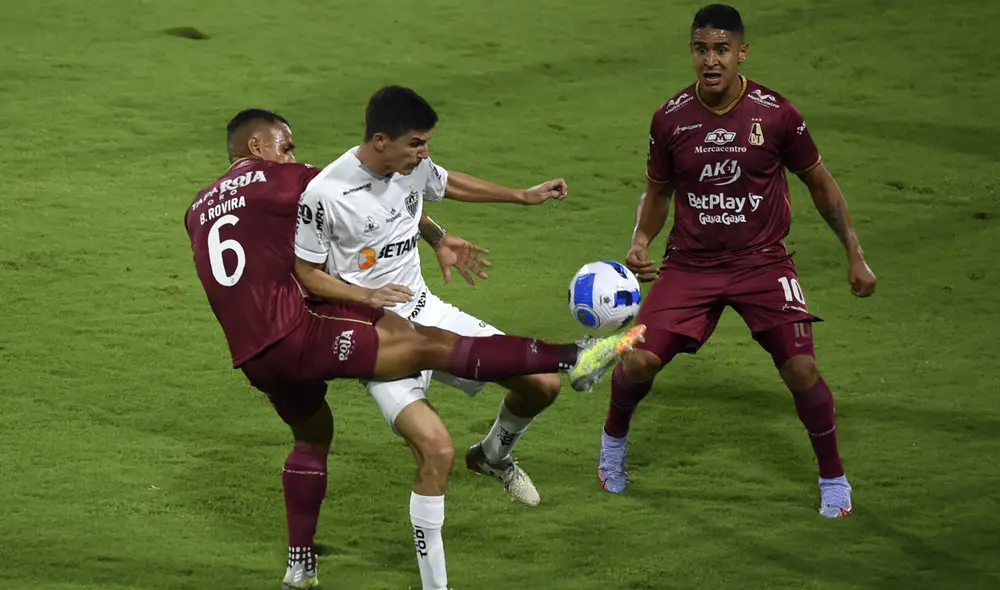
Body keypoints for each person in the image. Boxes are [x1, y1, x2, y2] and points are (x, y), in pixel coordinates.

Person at [184, 108, 645, 590]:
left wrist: (440, 237)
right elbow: (326, 224)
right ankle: (576, 354)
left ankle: (304, 563)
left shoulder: (197, 207)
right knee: (432, 409)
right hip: (326, 325)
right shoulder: (291, 182)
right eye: (287, 147)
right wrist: (365, 291)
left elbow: (393, 195)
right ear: (258, 149)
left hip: (256, 355)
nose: (293, 156)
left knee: (316, 433)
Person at [596, 4, 877, 519]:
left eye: (721, 49)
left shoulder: (776, 114)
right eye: (701, 49)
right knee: (638, 359)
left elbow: (820, 183)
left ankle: (833, 477)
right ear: (691, 52)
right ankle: (613, 442)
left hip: (763, 263)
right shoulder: (670, 118)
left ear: (741, 52)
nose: (711, 60)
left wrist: (854, 255)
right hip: (690, 265)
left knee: (801, 367)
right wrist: (640, 242)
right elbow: (657, 193)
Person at [292, 85, 571, 589]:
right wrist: (363, 297)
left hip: (428, 311)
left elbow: (437, 187)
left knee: (543, 382)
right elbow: (307, 272)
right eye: (417, 144)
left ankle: (491, 455)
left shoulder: (409, 166)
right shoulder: (324, 194)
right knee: (435, 451)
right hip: (379, 339)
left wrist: (517, 199)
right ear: (381, 140)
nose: (425, 154)